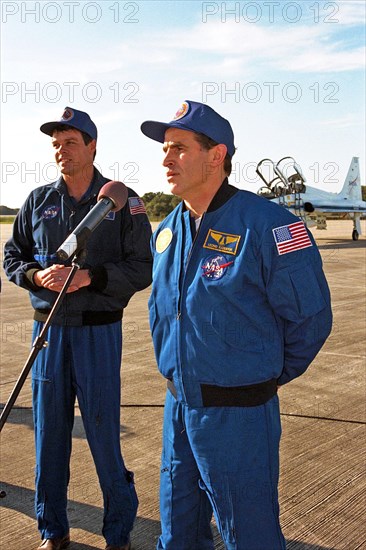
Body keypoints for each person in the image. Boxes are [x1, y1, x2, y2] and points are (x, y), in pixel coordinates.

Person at [140, 100, 332, 550]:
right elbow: (164, 311)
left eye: (179, 148)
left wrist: (258, 377)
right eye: (164, 149)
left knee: (250, 533)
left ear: (216, 155)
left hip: (240, 415)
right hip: (179, 407)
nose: (166, 159)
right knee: (178, 528)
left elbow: (310, 320)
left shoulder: (270, 226)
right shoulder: (168, 229)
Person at [4, 107, 153, 550]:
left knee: (104, 435)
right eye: (55, 144)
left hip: (98, 334)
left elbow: (142, 266)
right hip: (48, 335)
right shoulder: (37, 200)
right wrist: (35, 276)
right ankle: (53, 531)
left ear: (92, 146)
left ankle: (118, 533)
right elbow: (13, 257)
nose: (60, 151)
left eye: (70, 142)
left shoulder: (125, 203)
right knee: (49, 435)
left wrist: (93, 278)